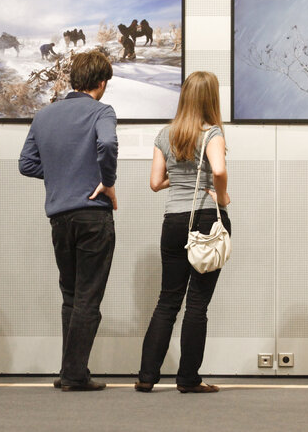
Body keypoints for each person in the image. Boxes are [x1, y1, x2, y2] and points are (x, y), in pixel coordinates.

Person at [19, 50, 118, 391]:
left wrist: (62, 174)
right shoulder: (102, 111)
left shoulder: (45, 115)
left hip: (60, 218)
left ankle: (69, 370)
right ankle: (76, 374)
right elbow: (107, 142)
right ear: (101, 83)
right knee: (89, 297)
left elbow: (26, 164)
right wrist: (107, 181)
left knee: (71, 296)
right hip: (93, 216)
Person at [136, 71, 230, 394]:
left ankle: (147, 376)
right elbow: (218, 169)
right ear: (211, 98)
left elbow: (155, 183)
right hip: (205, 218)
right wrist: (223, 195)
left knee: (167, 300)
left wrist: (179, 180)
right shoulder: (213, 133)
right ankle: (188, 378)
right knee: (197, 304)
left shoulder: (166, 134)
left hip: (174, 221)